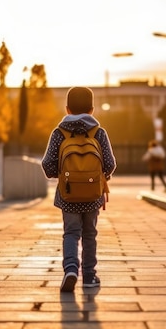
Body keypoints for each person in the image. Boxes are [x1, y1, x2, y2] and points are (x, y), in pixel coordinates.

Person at [41, 86, 116, 292]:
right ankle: (90, 276)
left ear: (67, 109)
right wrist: (99, 178)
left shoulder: (59, 133)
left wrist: (63, 176)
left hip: (68, 194)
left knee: (71, 232)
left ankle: (71, 269)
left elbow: (47, 164)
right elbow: (110, 164)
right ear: (92, 109)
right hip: (93, 195)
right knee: (90, 233)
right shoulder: (98, 132)